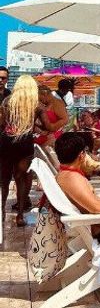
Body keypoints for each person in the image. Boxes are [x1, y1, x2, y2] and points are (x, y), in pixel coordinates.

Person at [1, 75, 39, 226]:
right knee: (21, 178)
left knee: (4, 179)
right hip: (25, 143)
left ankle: (1, 211)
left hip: (7, 141)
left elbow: (2, 123)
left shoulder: (7, 101)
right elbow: (48, 126)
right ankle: (20, 215)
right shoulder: (35, 105)